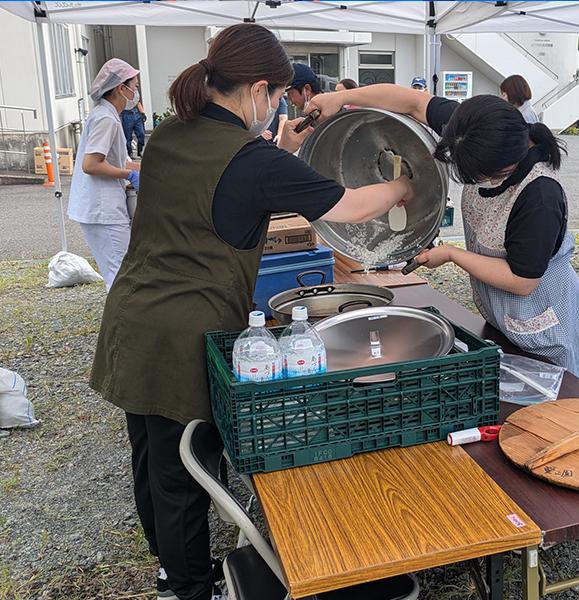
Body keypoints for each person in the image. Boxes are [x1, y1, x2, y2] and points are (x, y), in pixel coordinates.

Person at [90, 25, 413, 600]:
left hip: (132, 315)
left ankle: (170, 568)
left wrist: (283, 146)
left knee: (153, 455)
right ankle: (188, 588)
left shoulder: (169, 136)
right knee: (187, 467)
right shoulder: (252, 159)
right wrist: (403, 186)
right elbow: (352, 205)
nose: (273, 108)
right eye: (273, 96)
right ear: (260, 89)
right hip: (184, 328)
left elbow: (240, 181)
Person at [310, 85, 579, 375]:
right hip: (501, 318)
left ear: (504, 166)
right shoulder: (474, 129)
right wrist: (341, 97)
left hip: (541, 326)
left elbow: (522, 281)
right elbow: (413, 102)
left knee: (551, 404)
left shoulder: (540, 196)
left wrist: (453, 254)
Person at [67, 58, 141, 291]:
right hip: (102, 209)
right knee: (121, 275)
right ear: (121, 88)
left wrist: (148, 168)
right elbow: (91, 164)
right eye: (135, 87)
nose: (136, 93)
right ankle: (121, 326)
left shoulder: (106, 115)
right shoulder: (106, 118)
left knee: (121, 271)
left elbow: (116, 159)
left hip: (101, 207)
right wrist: (128, 175)